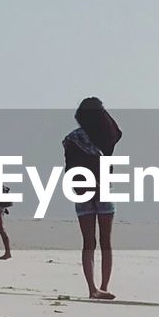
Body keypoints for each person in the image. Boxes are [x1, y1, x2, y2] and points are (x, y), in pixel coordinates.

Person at [63, 97, 122, 300]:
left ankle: (92, 288)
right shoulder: (106, 136)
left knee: (88, 242)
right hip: (104, 187)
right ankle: (104, 286)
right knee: (106, 241)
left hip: (82, 190)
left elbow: (68, 165)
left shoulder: (73, 138)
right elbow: (118, 131)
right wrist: (103, 113)